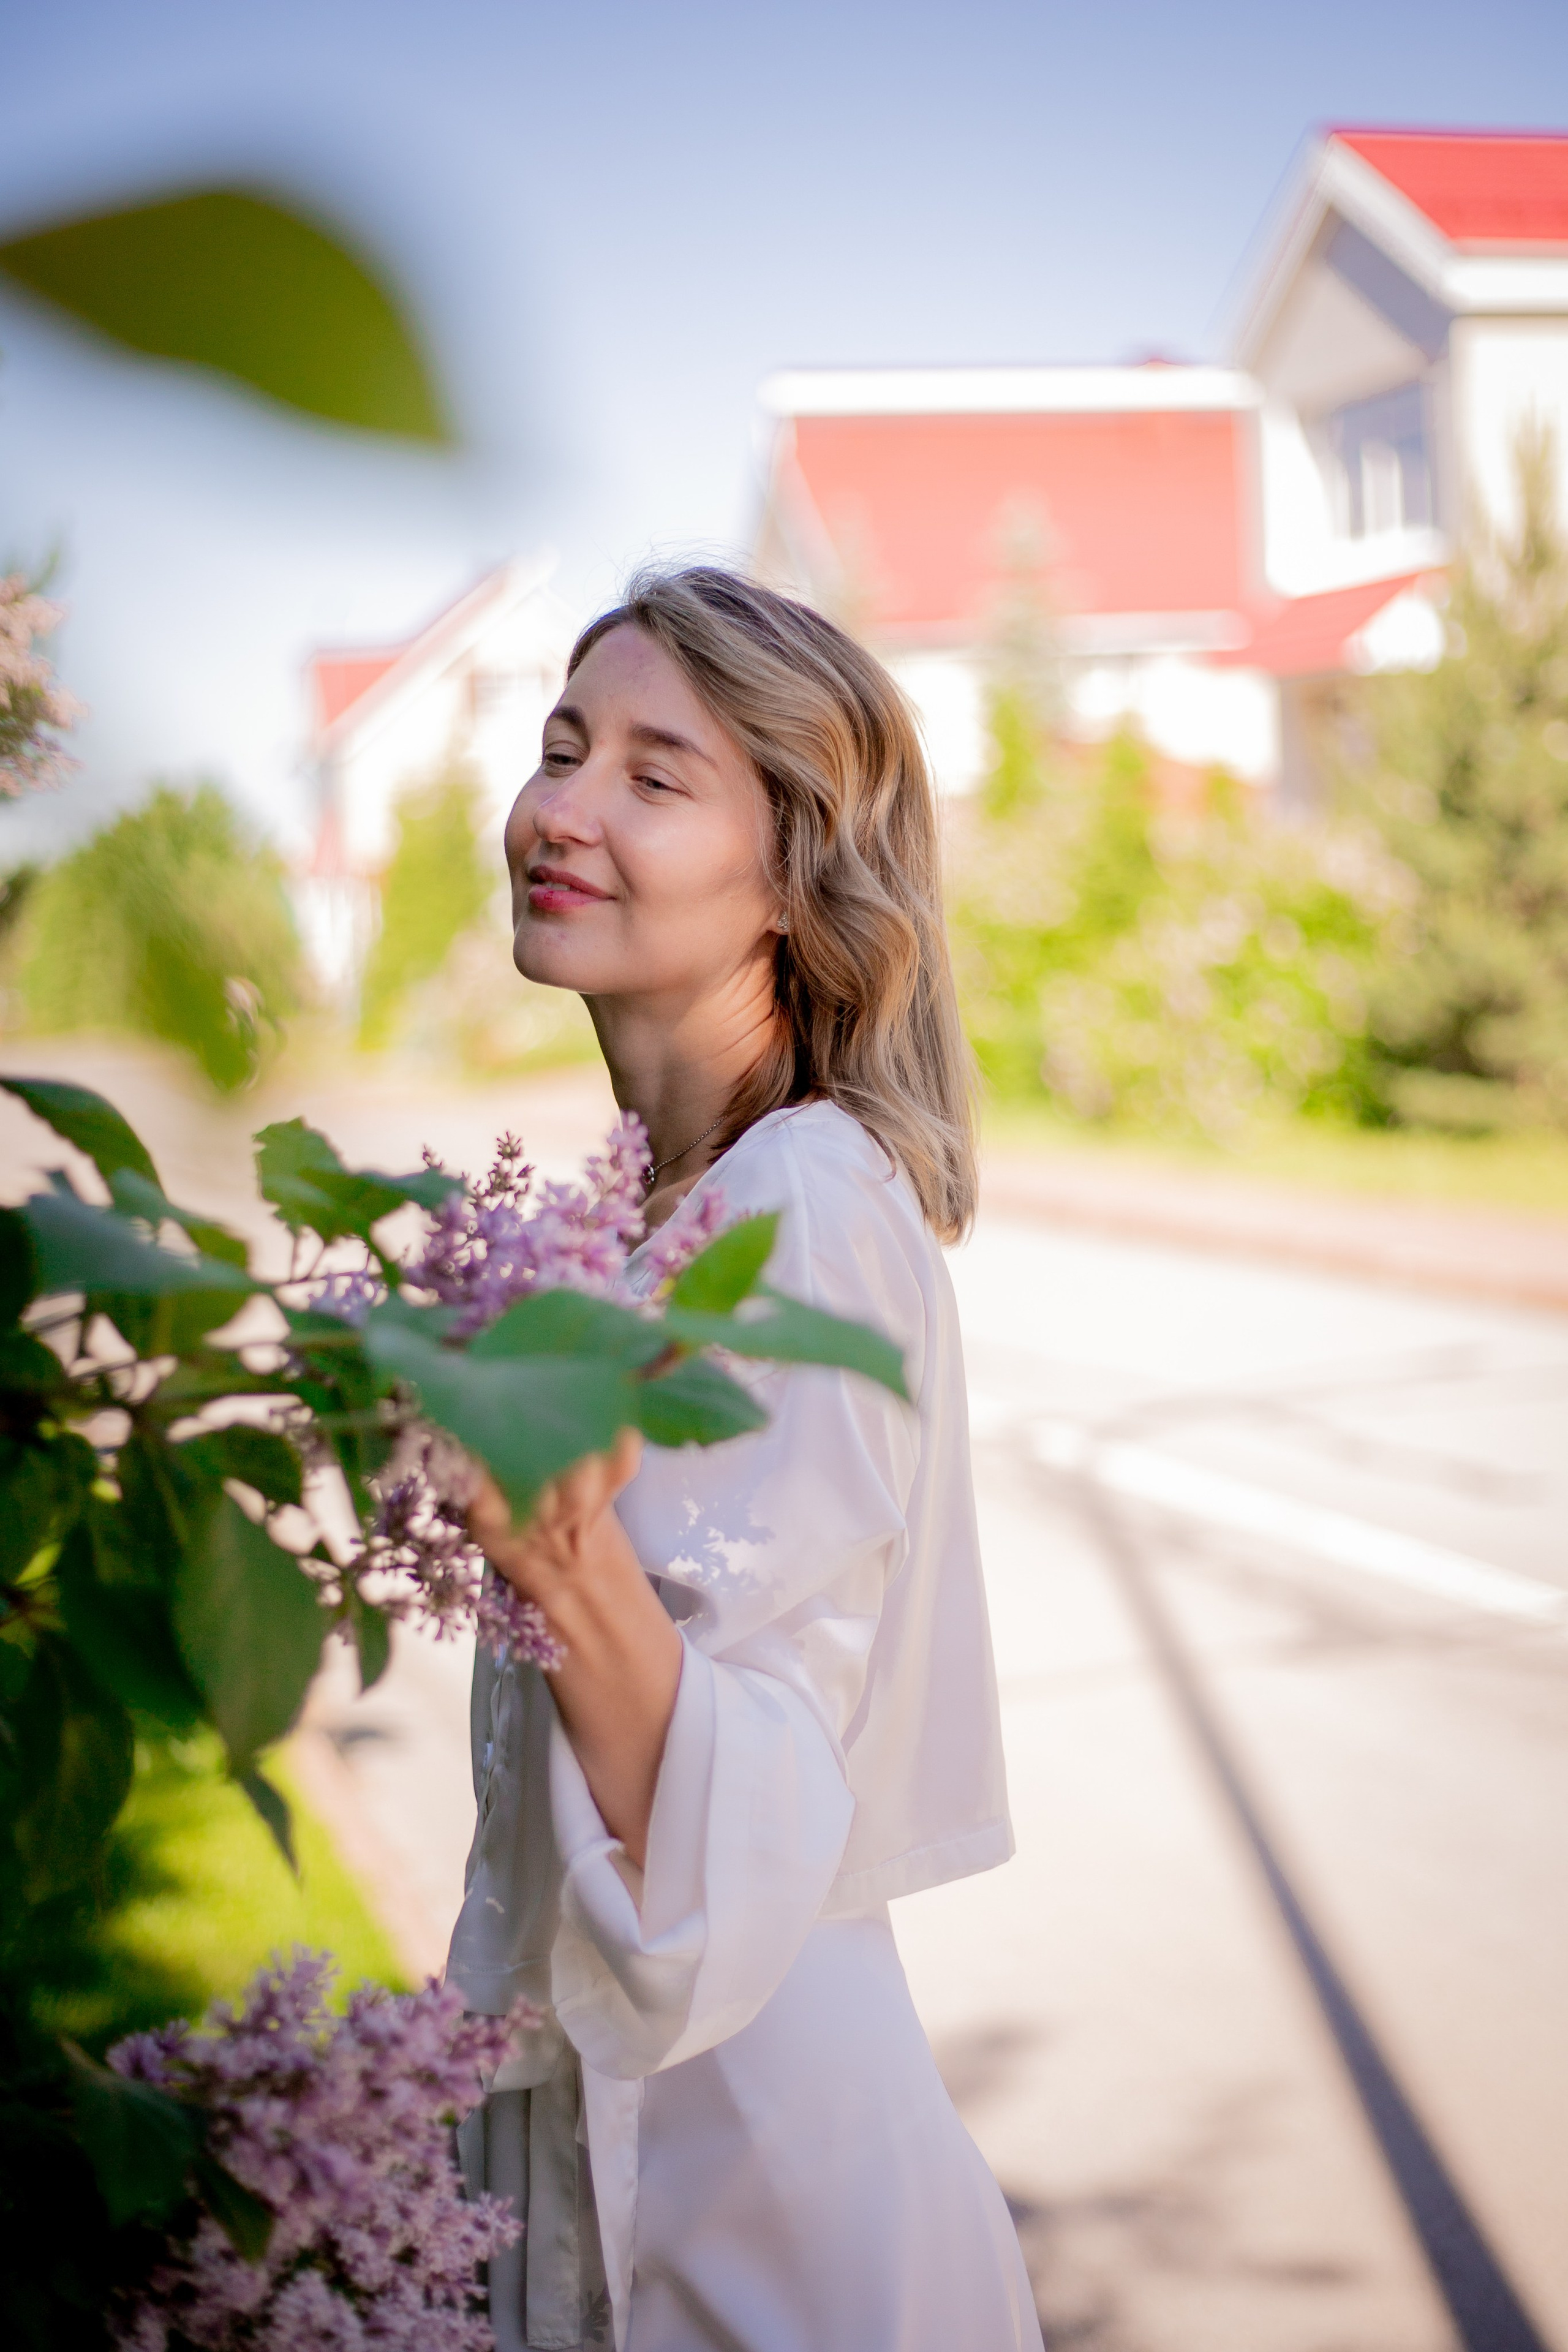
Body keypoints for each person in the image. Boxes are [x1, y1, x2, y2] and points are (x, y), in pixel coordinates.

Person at [447, 566, 1042, 2352]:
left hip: (767, 2223)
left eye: (653, 772)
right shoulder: (666, 1220)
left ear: (791, 875)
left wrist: (548, 1543)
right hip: (648, 2155)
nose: (561, 807)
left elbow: (745, 1814)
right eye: (563, 749)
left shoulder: (801, 1208)